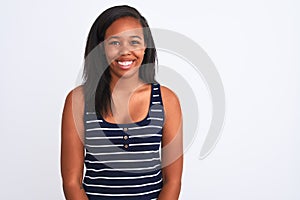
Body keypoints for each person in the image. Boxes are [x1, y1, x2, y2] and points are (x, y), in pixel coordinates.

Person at [61, 5, 183, 200]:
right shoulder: (78, 101)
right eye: (115, 43)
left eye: (134, 41)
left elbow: (173, 181)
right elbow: (71, 182)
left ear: (145, 47)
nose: (125, 51)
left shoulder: (167, 100)